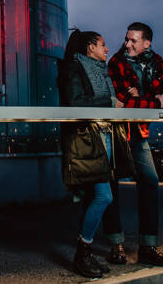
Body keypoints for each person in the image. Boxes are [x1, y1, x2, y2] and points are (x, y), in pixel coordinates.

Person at [59, 29, 135, 278]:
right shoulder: (74, 68)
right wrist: (110, 103)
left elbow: (99, 100)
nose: (106, 49)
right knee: (103, 196)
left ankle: (85, 255)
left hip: (102, 138)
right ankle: (82, 255)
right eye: (102, 44)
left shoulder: (99, 71)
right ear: (90, 47)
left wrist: (116, 101)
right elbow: (75, 103)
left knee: (98, 196)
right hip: (88, 139)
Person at [104, 22, 163, 266]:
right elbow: (121, 102)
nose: (127, 44)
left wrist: (139, 98)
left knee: (150, 181)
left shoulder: (159, 63)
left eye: (133, 40)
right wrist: (152, 101)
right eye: (126, 39)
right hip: (116, 132)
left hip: (139, 133)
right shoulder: (116, 62)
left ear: (147, 43)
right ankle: (116, 245)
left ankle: (148, 246)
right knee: (110, 185)